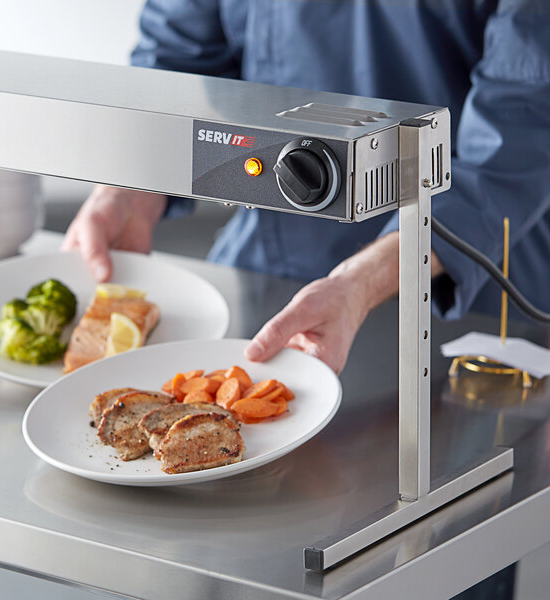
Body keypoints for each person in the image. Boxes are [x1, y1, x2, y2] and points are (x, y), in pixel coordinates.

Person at [64, 4, 549, 595]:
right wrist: (130, 190)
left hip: (456, 281)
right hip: (269, 265)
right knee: (223, 552)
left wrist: (364, 279)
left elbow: (522, 114)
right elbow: (178, 58)